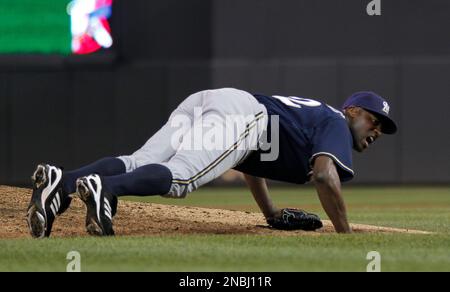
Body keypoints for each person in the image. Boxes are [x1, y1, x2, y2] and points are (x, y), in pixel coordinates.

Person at [26, 88, 397, 238]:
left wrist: (270, 213)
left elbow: (251, 161)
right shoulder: (335, 122)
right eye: (373, 120)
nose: (376, 130)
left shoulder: (316, 121)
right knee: (181, 177)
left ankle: (62, 184)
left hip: (214, 101)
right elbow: (324, 176)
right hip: (244, 114)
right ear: (352, 110)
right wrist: (346, 236)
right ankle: (105, 189)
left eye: (381, 127)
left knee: (139, 161)